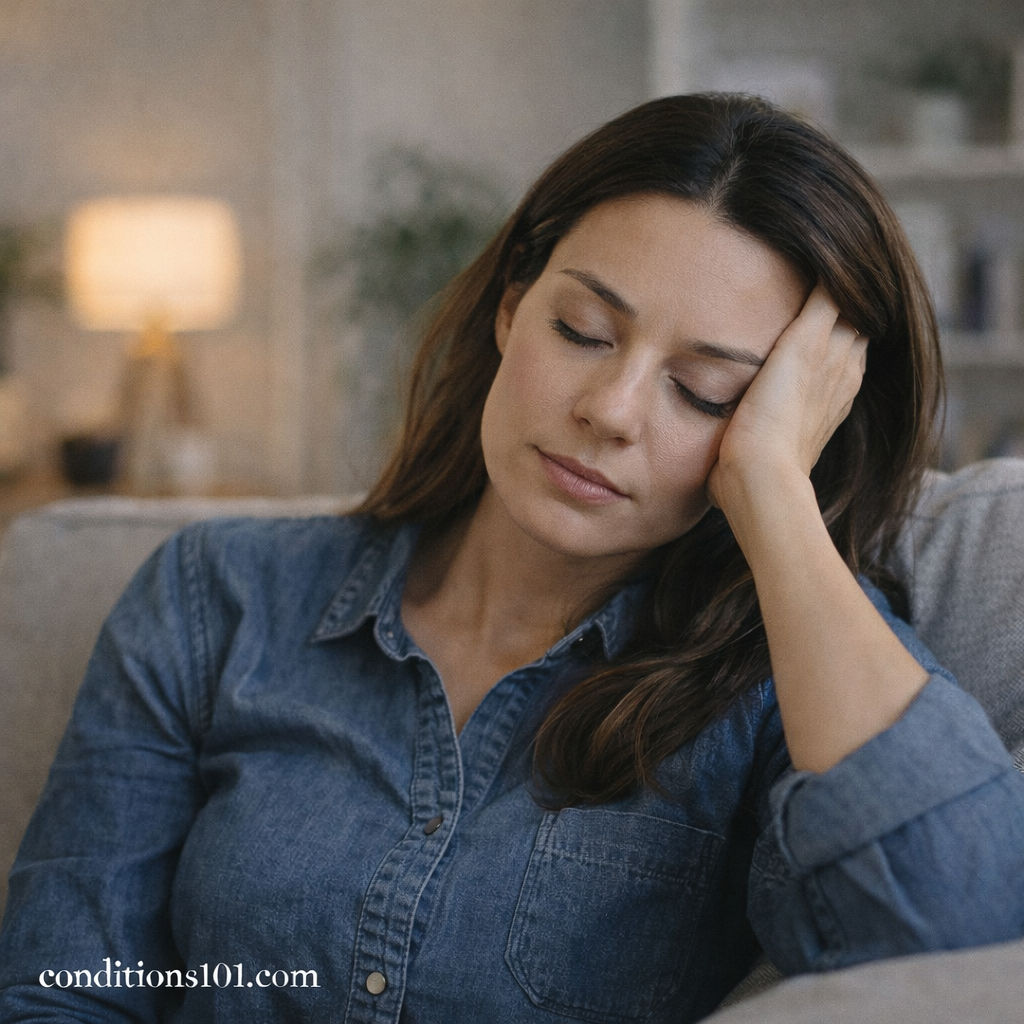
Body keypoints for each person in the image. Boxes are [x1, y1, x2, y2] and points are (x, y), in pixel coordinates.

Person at [2, 93, 1023, 1024]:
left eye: (708, 392)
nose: (609, 411)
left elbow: (955, 938)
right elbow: (65, 992)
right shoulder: (211, 599)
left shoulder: (777, 686)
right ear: (509, 305)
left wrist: (771, 493)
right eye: (581, 330)